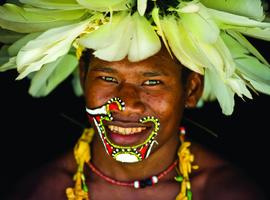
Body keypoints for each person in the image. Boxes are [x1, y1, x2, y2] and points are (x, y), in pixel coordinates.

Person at [0, 0, 269, 199]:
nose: (126, 103)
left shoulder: (227, 193)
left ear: (191, 90)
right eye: (108, 78)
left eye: (152, 82)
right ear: (83, 76)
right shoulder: (38, 191)